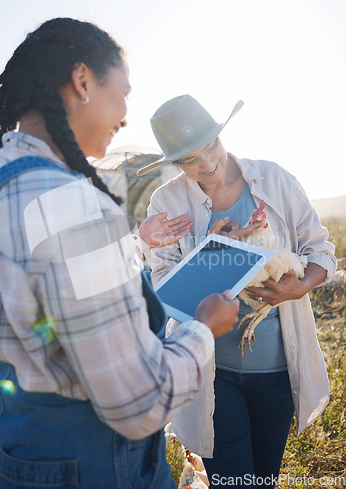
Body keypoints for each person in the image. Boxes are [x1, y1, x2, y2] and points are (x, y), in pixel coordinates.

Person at [0, 19, 240, 489]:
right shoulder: (70, 199)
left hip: (21, 456)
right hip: (98, 465)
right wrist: (202, 329)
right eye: (123, 92)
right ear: (83, 81)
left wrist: (133, 244)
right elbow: (137, 402)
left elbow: (38, 290)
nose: (126, 113)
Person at [138, 95, 337, 488]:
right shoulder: (167, 203)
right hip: (214, 373)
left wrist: (299, 287)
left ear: (220, 134)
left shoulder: (275, 180)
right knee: (234, 483)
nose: (208, 163)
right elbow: (164, 292)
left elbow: (321, 252)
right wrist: (212, 255)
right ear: (175, 165)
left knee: (263, 478)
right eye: (191, 159)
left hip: (275, 368)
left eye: (211, 146)